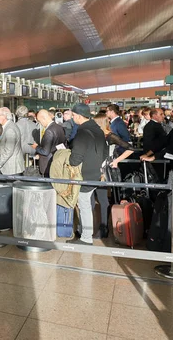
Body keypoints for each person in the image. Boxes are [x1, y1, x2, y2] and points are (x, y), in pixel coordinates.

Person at [68, 104, 108, 244]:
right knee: (86, 204)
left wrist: (69, 160)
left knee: (84, 205)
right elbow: (105, 153)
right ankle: (85, 233)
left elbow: (75, 159)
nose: (72, 118)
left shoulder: (82, 132)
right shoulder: (98, 129)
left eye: (73, 115)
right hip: (95, 174)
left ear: (79, 116)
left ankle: (86, 238)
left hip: (84, 175)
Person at [93, 113, 135, 238]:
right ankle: (98, 227)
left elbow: (130, 148)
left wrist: (116, 161)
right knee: (96, 199)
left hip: (104, 171)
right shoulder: (100, 135)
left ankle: (104, 227)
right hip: (96, 169)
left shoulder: (110, 136)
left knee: (102, 199)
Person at [0, 107, 24, 176]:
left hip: (12, 170)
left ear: (4, 116)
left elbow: (8, 151)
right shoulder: (9, 127)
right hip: (10, 168)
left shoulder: (10, 129)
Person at [32, 109, 66, 177]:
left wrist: (36, 147)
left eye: (39, 121)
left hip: (48, 164)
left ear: (44, 118)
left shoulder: (49, 131)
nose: (40, 123)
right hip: (57, 161)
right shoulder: (59, 127)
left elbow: (45, 151)